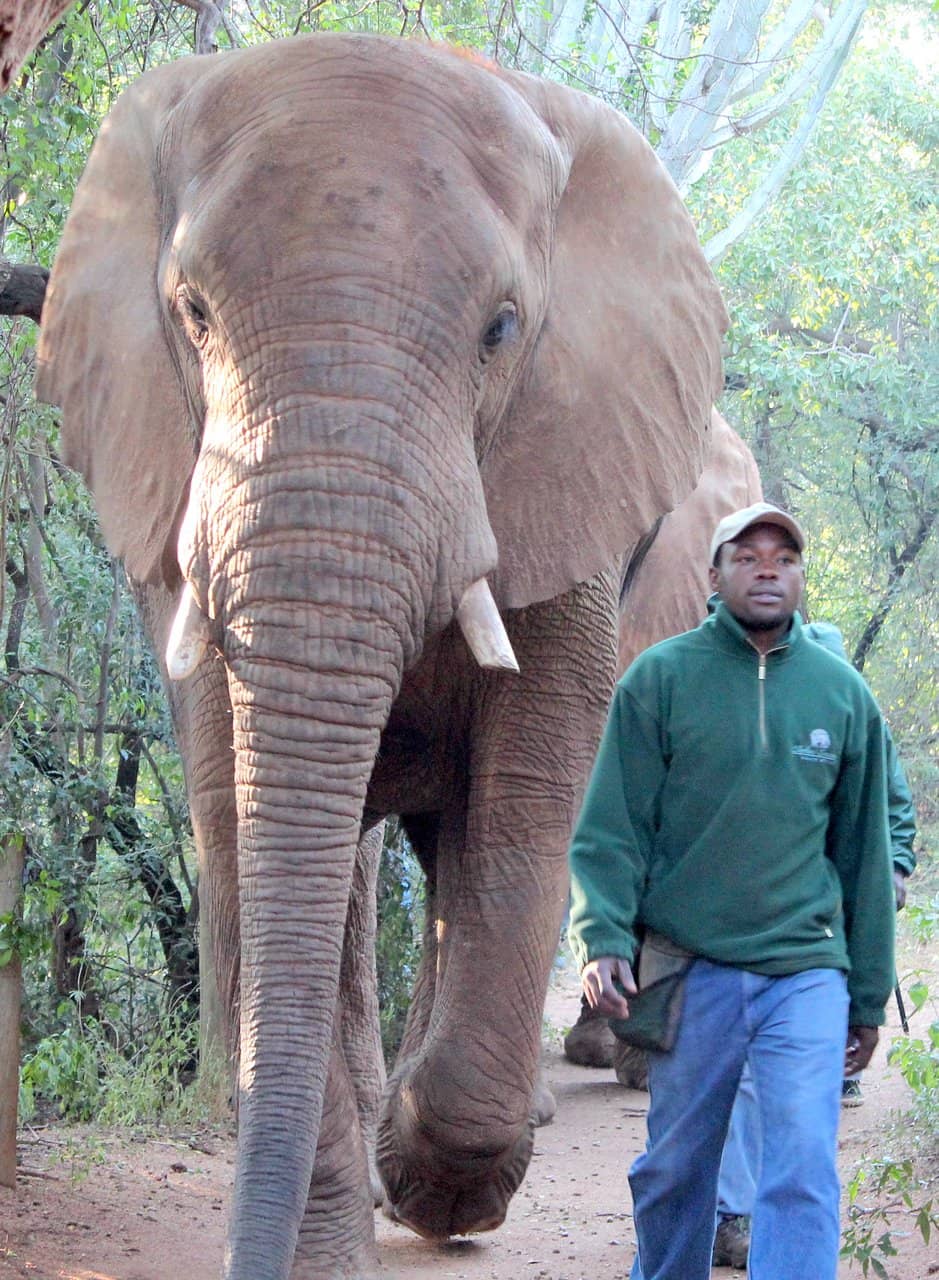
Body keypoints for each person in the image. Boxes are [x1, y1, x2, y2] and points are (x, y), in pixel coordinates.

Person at [568, 501, 896, 1280]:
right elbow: (612, 825)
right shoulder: (660, 679)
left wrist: (868, 997)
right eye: (745, 557)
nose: (765, 570)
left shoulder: (842, 694)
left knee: (802, 1164)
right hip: (691, 965)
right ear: (712, 575)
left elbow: (863, 856)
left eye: (782, 558)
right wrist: (604, 936)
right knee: (676, 1167)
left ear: (800, 577)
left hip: (804, 969)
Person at [711, 617, 918, 1268]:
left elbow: (896, 814)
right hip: (762, 926)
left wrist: (892, 870)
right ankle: (729, 1216)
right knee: (745, 1074)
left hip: (832, 922)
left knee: (795, 1071)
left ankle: (760, 1222)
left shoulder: (857, 720)